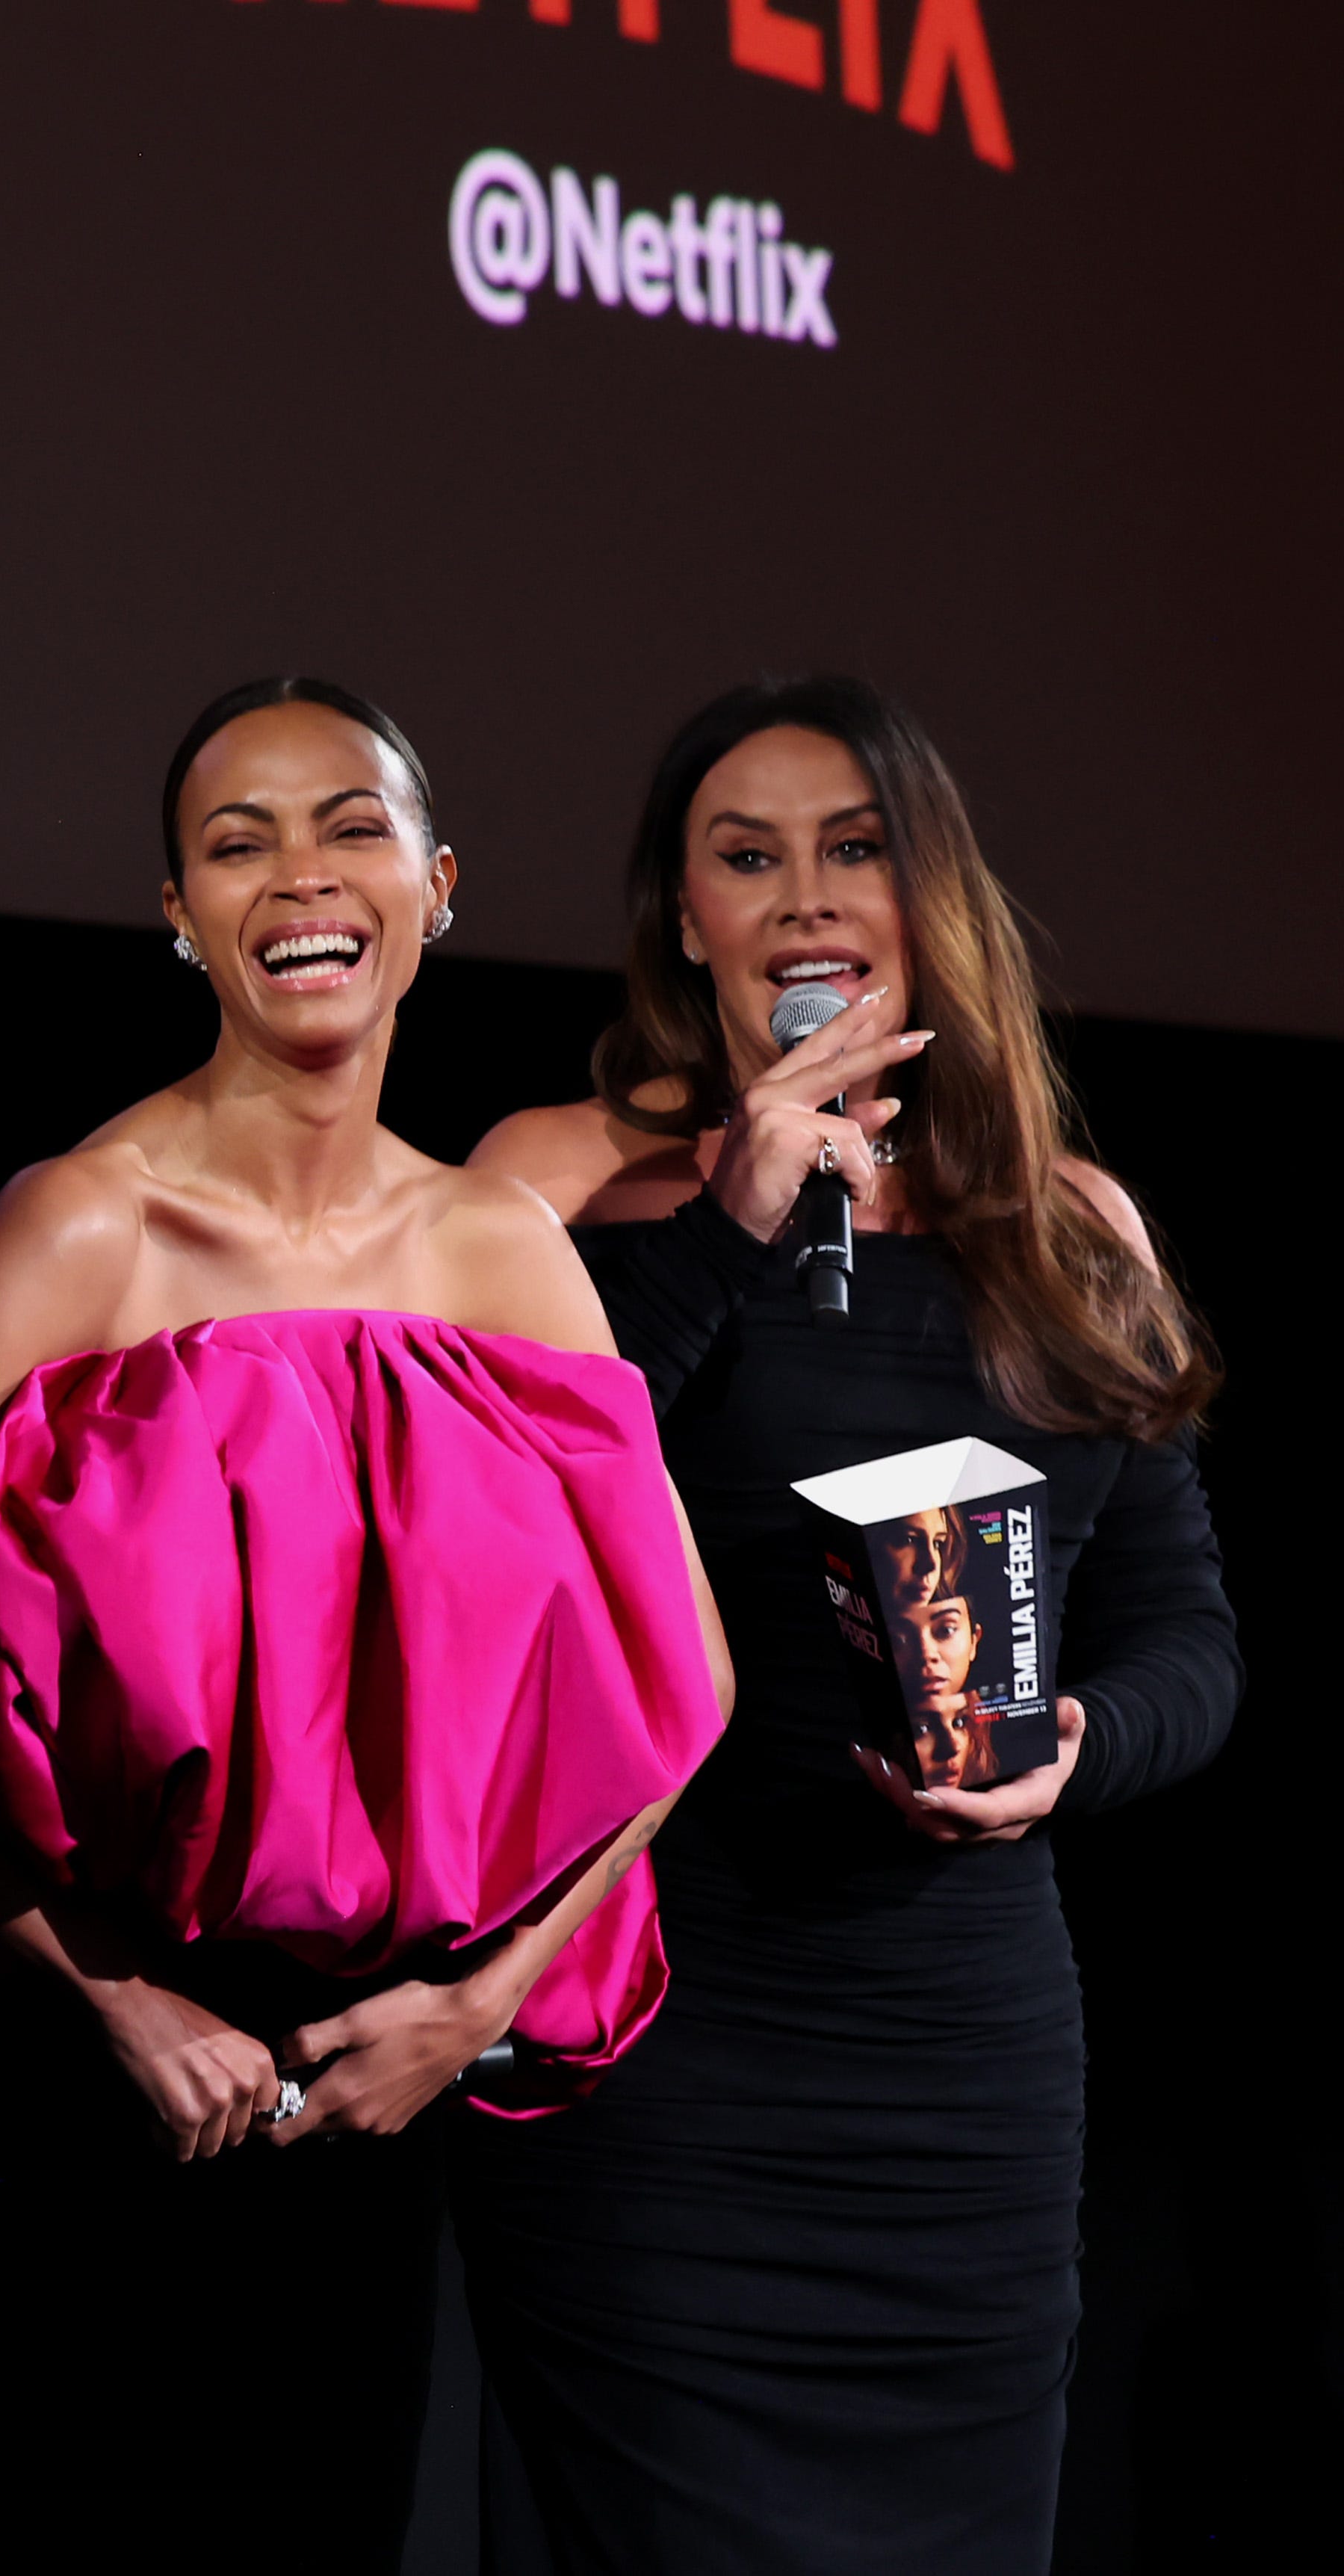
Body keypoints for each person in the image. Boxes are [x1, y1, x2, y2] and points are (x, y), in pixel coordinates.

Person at [0, 679, 733, 2575]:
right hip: (77, 2076)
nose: (299, 874)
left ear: (434, 886)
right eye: (238, 842)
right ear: (178, 913)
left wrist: (473, 2008)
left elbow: (683, 1681)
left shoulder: (499, 1248)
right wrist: (104, 1989)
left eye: (349, 825)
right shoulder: (87, 1224)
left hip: (362, 2089)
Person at [463, 675, 1239, 2574]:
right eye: (747, 857)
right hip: (662, 2043)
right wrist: (725, 1227)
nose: (804, 896)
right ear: (683, 919)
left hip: (961, 2067)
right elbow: (493, 1537)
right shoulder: (553, 1183)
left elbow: (1187, 1637)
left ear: (925, 892)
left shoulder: (1064, 1222)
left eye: (854, 847)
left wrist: (1072, 1751)